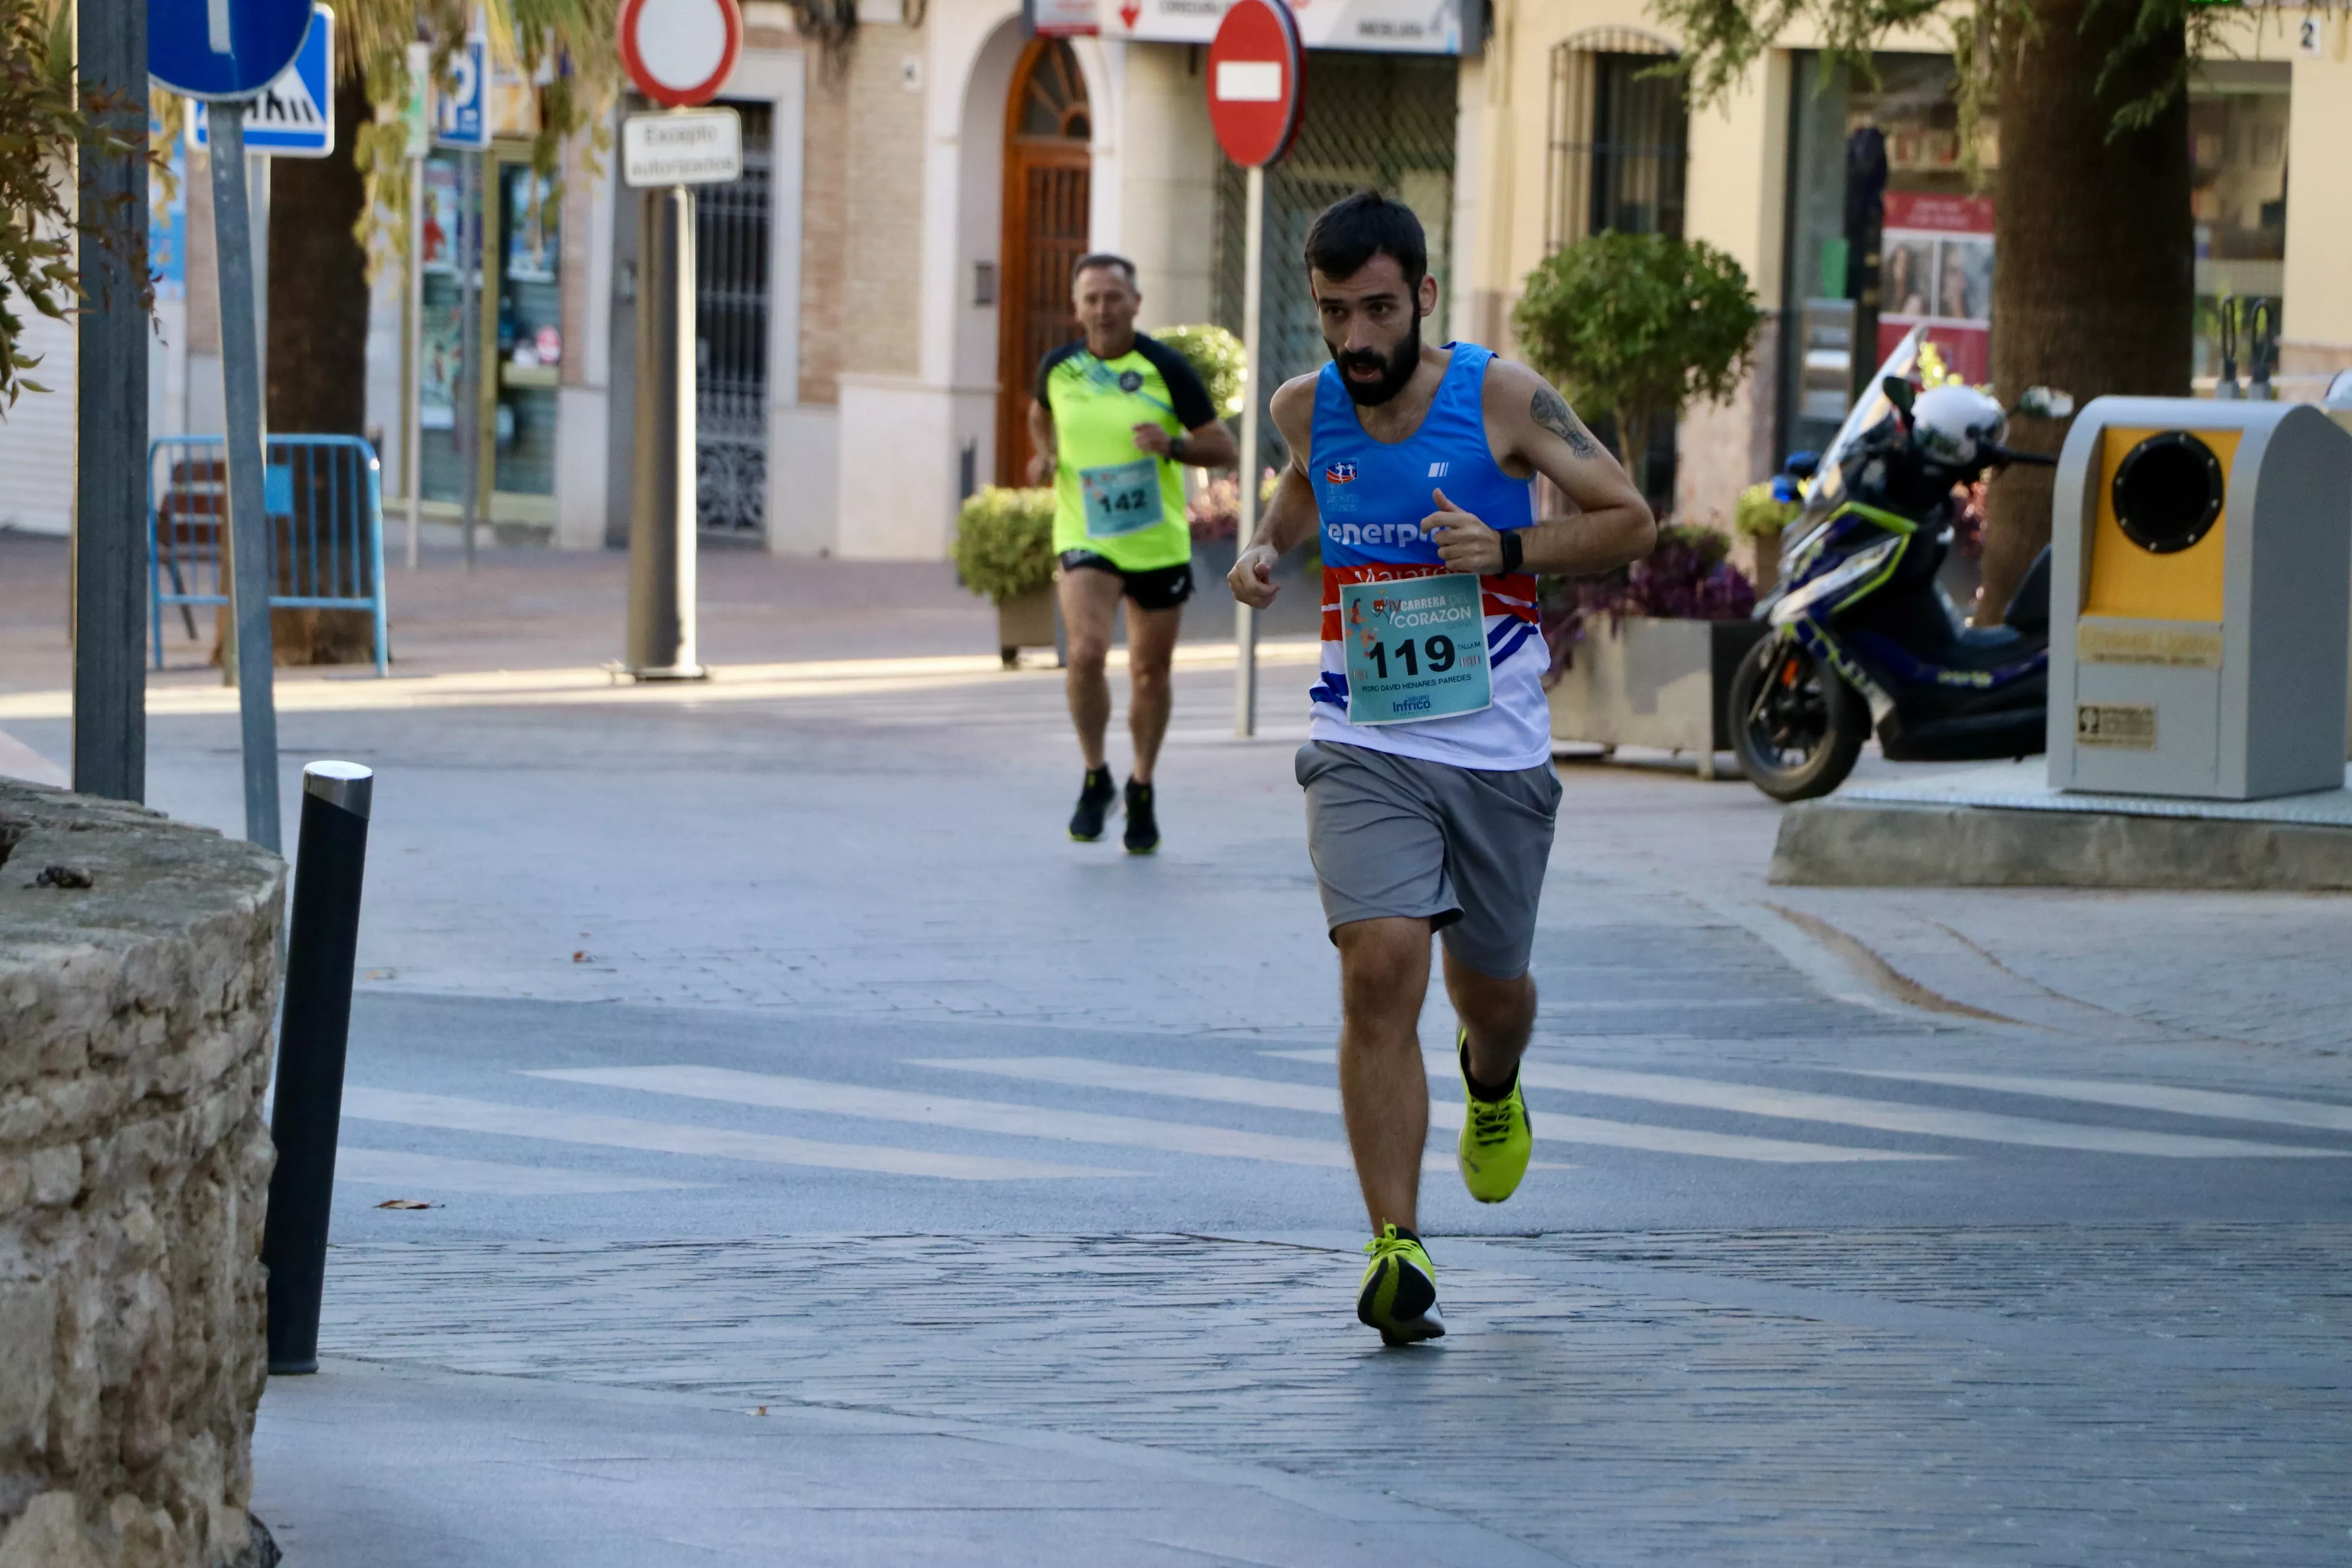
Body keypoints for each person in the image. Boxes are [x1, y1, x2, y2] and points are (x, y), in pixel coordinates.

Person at [1227, 192, 1655, 1345]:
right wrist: (1269, 547)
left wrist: (1509, 546)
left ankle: (1493, 1075)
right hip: (1364, 738)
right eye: (1332, 313)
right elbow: (1311, 483)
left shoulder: (1503, 399)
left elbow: (1630, 518)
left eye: (1377, 309)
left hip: (1496, 747)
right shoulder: (1304, 407)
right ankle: (1397, 1247)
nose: (1356, 338)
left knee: (1493, 993)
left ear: (1422, 295)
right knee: (1380, 965)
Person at [1028, 254, 1238, 852]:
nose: (1102, 308)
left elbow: (1221, 445)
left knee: (1150, 671)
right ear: (1077, 307)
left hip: (1154, 540)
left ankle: (1141, 783)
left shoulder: (1165, 367)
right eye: (1090, 298)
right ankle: (1096, 775)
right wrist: (1046, 456)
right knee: (1087, 654)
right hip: (1085, 534)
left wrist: (1171, 444)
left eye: (1113, 296)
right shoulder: (1060, 368)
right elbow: (1039, 416)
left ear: (1136, 303)